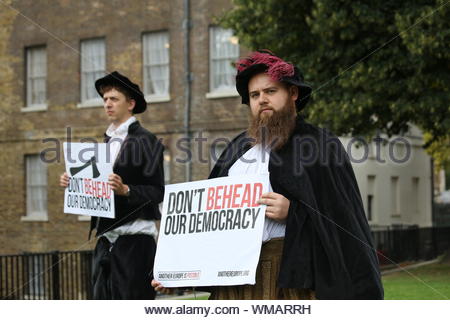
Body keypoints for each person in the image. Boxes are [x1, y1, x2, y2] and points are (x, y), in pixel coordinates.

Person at [153, 50, 383, 299]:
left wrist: (293, 212)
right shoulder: (236, 149)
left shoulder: (320, 145)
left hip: (289, 277)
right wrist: (177, 273)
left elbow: (342, 221)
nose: (262, 99)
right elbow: (208, 223)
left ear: (293, 93)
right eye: (254, 95)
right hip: (234, 281)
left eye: (270, 91)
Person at [60, 71, 165, 299]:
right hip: (105, 240)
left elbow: (158, 191)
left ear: (131, 103)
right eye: (105, 99)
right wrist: (73, 182)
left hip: (135, 242)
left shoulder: (147, 140)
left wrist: (126, 189)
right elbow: (98, 186)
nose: (107, 104)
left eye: (114, 99)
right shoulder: (106, 140)